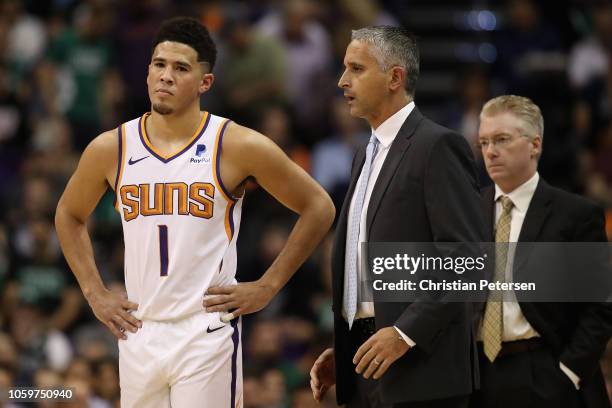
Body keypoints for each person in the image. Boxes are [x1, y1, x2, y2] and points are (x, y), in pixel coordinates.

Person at [54, 17, 335, 408]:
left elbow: (319, 206)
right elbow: (68, 214)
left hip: (205, 331)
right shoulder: (111, 147)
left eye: (180, 68)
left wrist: (268, 285)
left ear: (205, 83)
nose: (165, 76)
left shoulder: (234, 144)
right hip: (139, 329)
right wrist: (94, 292)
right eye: (159, 64)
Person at [309, 26, 484, 408]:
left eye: (356, 69)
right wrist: (347, 349)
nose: (342, 81)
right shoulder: (364, 154)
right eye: (344, 68)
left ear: (394, 78)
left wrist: (403, 333)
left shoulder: (437, 146)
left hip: (423, 371)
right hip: (367, 362)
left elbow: (467, 261)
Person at [471, 95, 612, 408]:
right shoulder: (465, 212)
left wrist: (569, 372)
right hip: (478, 378)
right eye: (483, 142)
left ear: (534, 145)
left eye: (501, 140)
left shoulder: (576, 214)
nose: (490, 152)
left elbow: (600, 307)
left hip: (544, 370)